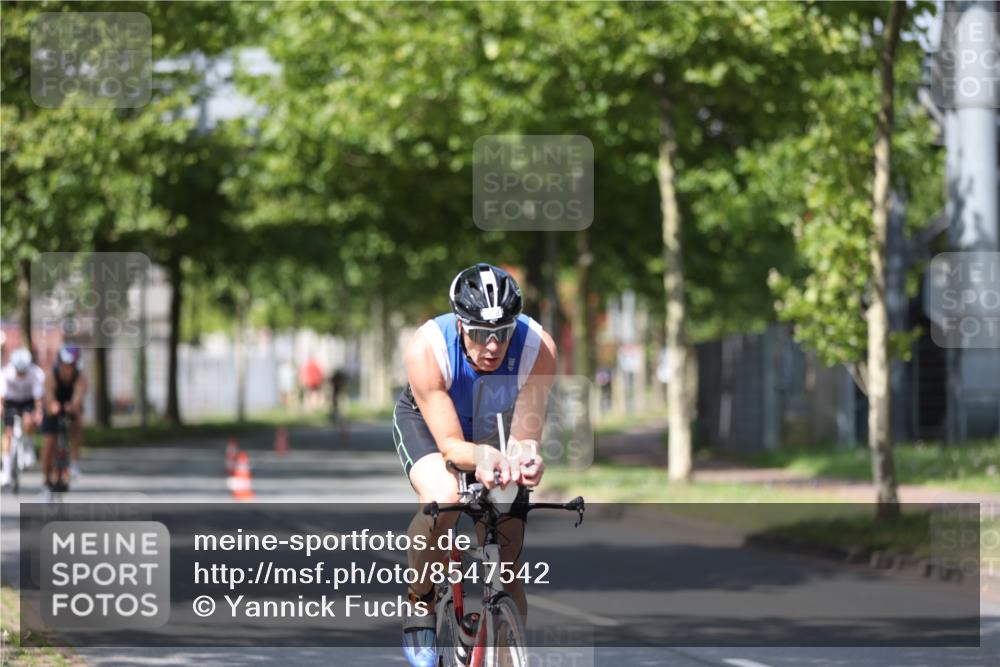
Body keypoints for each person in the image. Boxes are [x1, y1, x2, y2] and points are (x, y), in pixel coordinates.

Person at [395, 263, 556, 667]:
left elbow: (524, 438)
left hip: (493, 426)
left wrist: (526, 461)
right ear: (460, 324)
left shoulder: (538, 348)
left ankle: (507, 653)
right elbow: (450, 446)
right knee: (445, 498)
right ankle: (421, 598)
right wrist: (484, 458)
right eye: (482, 334)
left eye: (502, 333)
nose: (493, 345)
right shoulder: (426, 348)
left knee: (506, 554)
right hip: (432, 426)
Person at [41, 344, 88, 488]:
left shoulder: (80, 378)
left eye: (70, 366)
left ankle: (73, 462)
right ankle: (47, 477)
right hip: (53, 405)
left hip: (70, 405)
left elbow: (78, 396)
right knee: (49, 442)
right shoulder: (51, 376)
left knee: (78, 422)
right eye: (64, 365)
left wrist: (73, 406)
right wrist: (52, 405)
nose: (67, 369)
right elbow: (48, 395)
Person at [0, 347, 45, 487]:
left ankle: (29, 447)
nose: (21, 375)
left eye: (23, 372)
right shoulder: (5, 373)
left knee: (28, 420)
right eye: (19, 372)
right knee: (7, 433)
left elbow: (38, 399)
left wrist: (39, 412)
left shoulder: (36, 373)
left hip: (28, 400)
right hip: (11, 401)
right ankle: (6, 471)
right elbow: (2, 398)